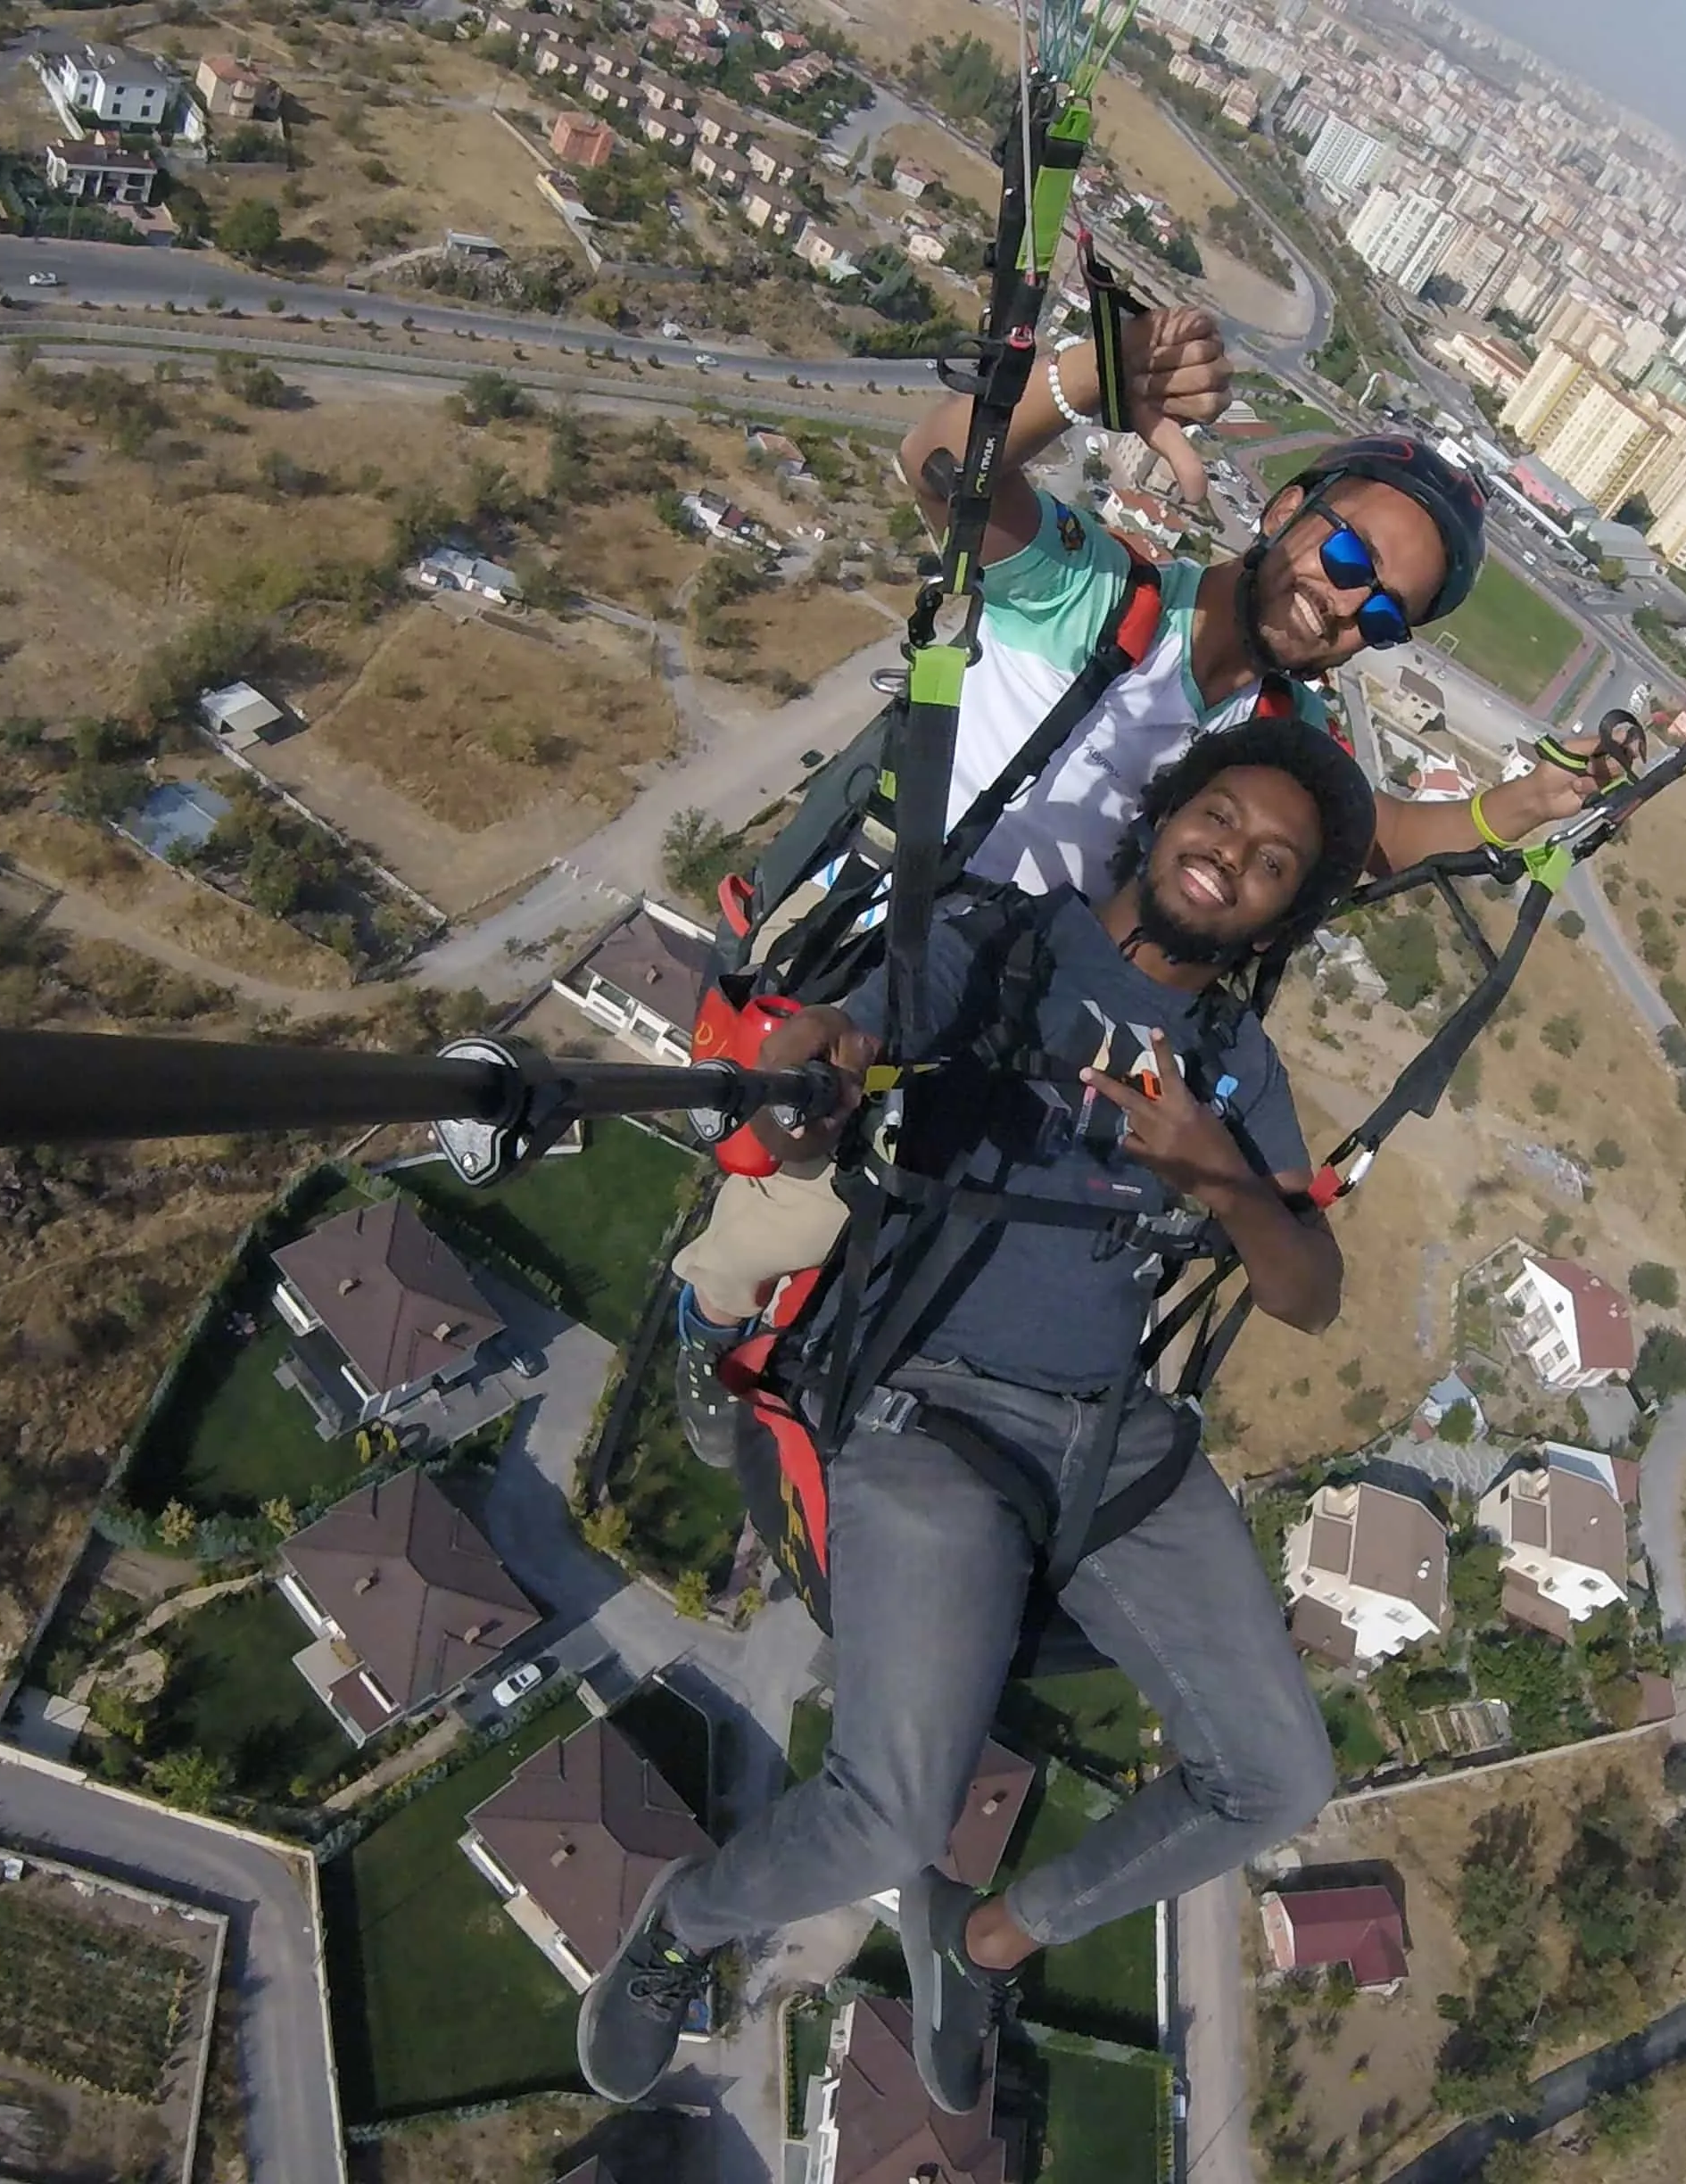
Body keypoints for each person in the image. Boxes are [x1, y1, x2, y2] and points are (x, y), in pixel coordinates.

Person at [577, 719, 1376, 2114]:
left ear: (1277, 915)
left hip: (1113, 1440)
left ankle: (986, 1939)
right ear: (1160, 815)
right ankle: (682, 1929)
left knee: (1277, 1776)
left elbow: (1308, 1290)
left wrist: (1223, 1177)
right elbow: (866, 1031)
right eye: (1221, 819)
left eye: (1270, 864)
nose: (1231, 858)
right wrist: (818, 1067)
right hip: (934, 1414)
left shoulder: (1233, 1066)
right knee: (887, 1812)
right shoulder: (1000, 945)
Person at [670, 304, 1636, 1327]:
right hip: (883, 941)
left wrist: (1528, 804)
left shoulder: (1280, 724)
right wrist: (1087, 384)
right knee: (810, 1204)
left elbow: (1377, 840)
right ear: (1285, 510)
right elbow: (939, 464)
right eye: (1347, 558)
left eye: (1382, 613)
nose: (1342, 606)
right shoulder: (1093, 591)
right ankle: (714, 1310)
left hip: (1020, 993)